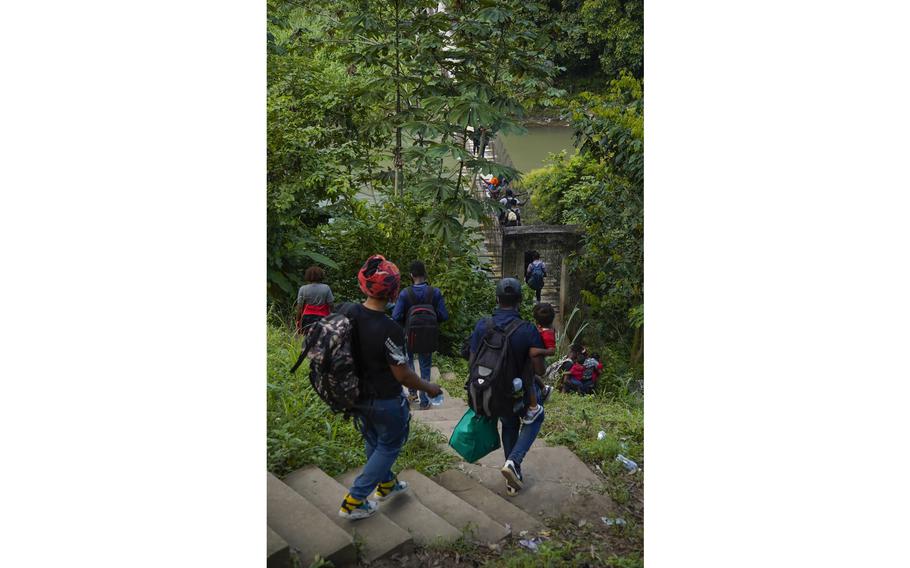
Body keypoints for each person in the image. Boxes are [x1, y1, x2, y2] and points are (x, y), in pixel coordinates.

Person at [338, 255, 443, 520]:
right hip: (384, 399)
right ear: (394, 291)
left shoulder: (347, 312)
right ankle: (355, 500)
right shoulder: (390, 329)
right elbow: (403, 375)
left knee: (374, 440)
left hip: (356, 395)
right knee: (388, 445)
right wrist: (429, 387)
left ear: (363, 285)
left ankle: (386, 485)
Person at [468, 278, 545, 496]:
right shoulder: (528, 330)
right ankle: (514, 460)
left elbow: (472, 362)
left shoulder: (483, 325)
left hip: (490, 392)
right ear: (520, 300)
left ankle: (513, 478)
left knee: (509, 423)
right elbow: (539, 370)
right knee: (536, 414)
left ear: (496, 299)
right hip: (515, 392)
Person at [392, 260, 449, 409]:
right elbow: (443, 316)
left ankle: (412, 393)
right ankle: (425, 401)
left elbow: (396, 316)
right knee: (425, 366)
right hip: (428, 336)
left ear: (411, 275)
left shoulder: (405, 294)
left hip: (408, 335)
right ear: (425, 274)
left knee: (409, 364)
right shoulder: (434, 292)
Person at [528, 303, 556, 404]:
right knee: (532, 375)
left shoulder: (548, 333)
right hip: (536, 359)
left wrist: (537, 351)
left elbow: (552, 351)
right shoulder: (542, 329)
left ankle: (544, 390)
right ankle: (544, 389)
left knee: (531, 375)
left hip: (538, 359)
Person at [294, 265, 334, 335]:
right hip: (323, 317)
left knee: (306, 339)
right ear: (321, 275)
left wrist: (297, 321)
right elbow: (331, 305)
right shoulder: (326, 288)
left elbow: (300, 307)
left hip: (306, 318)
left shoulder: (303, 289)